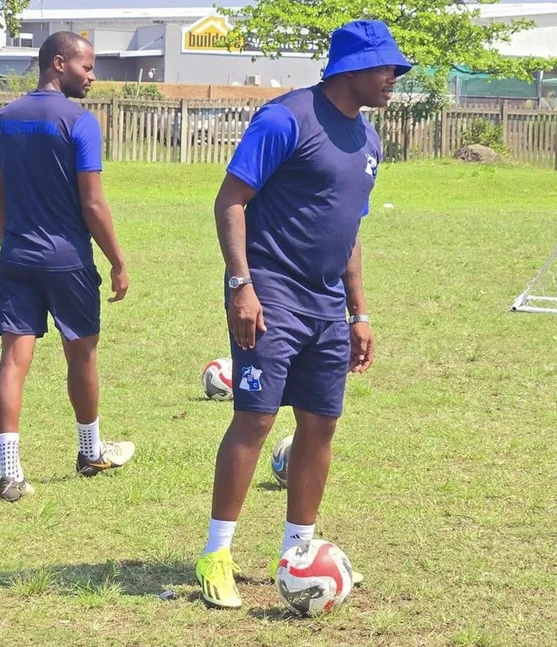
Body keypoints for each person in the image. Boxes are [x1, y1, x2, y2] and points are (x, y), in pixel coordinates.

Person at [195, 20, 411, 608]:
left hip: (326, 304)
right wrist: (241, 285)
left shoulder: (369, 140)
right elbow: (230, 200)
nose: (393, 78)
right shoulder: (285, 118)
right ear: (351, 69)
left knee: (320, 425)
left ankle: (298, 554)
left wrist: (359, 312)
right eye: (385, 67)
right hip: (269, 292)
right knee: (256, 419)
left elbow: (351, 231)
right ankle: (216, 554)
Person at [0, 32, 135, 503]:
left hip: (15, 256)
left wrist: (14, 246)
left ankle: (10, 473)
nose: (93, 76)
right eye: (86, 67)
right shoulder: (80, 122)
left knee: (13, 360)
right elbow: (93, 203)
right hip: (68, 260)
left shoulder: (4, 119)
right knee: (82, 354)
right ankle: (90, 452)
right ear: (58, 63)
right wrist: (117, 261)